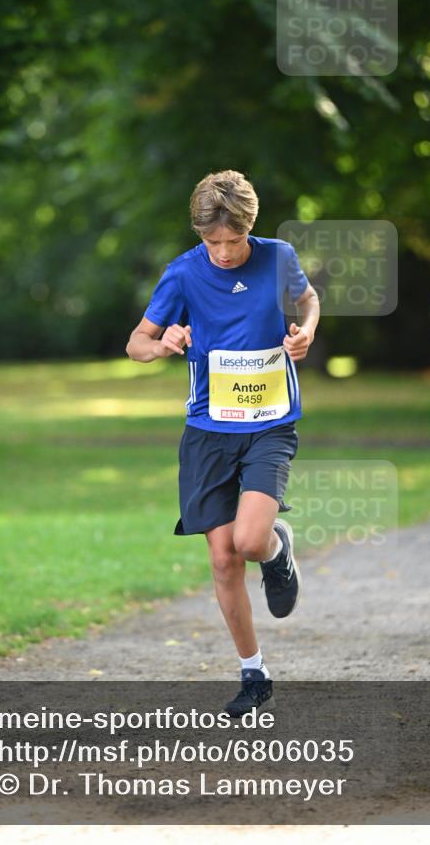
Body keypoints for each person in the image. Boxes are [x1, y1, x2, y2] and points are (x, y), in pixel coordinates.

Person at [126, 170, 320, 716]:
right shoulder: (183, 273)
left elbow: (308, 300)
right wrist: (163, 343)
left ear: (249, 228)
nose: (225, 252)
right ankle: (253, 672)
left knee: (250, 540)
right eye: (213, 242)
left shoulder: (278, 257)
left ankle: (276, 550)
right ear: (200, 235)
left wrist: (306, 331)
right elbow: (136, 343)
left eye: (234, 240)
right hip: (208, 431)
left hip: (269, 423)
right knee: (222, 557)